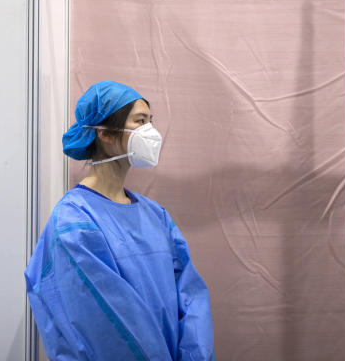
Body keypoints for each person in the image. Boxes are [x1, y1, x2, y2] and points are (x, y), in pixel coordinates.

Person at [24, 80, 215, 361]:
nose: (152, 132)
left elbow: (190, 297)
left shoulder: (155, 215)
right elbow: (109, 327)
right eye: (140, 121)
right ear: (105, 133)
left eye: (151, 121)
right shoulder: (75, 223)